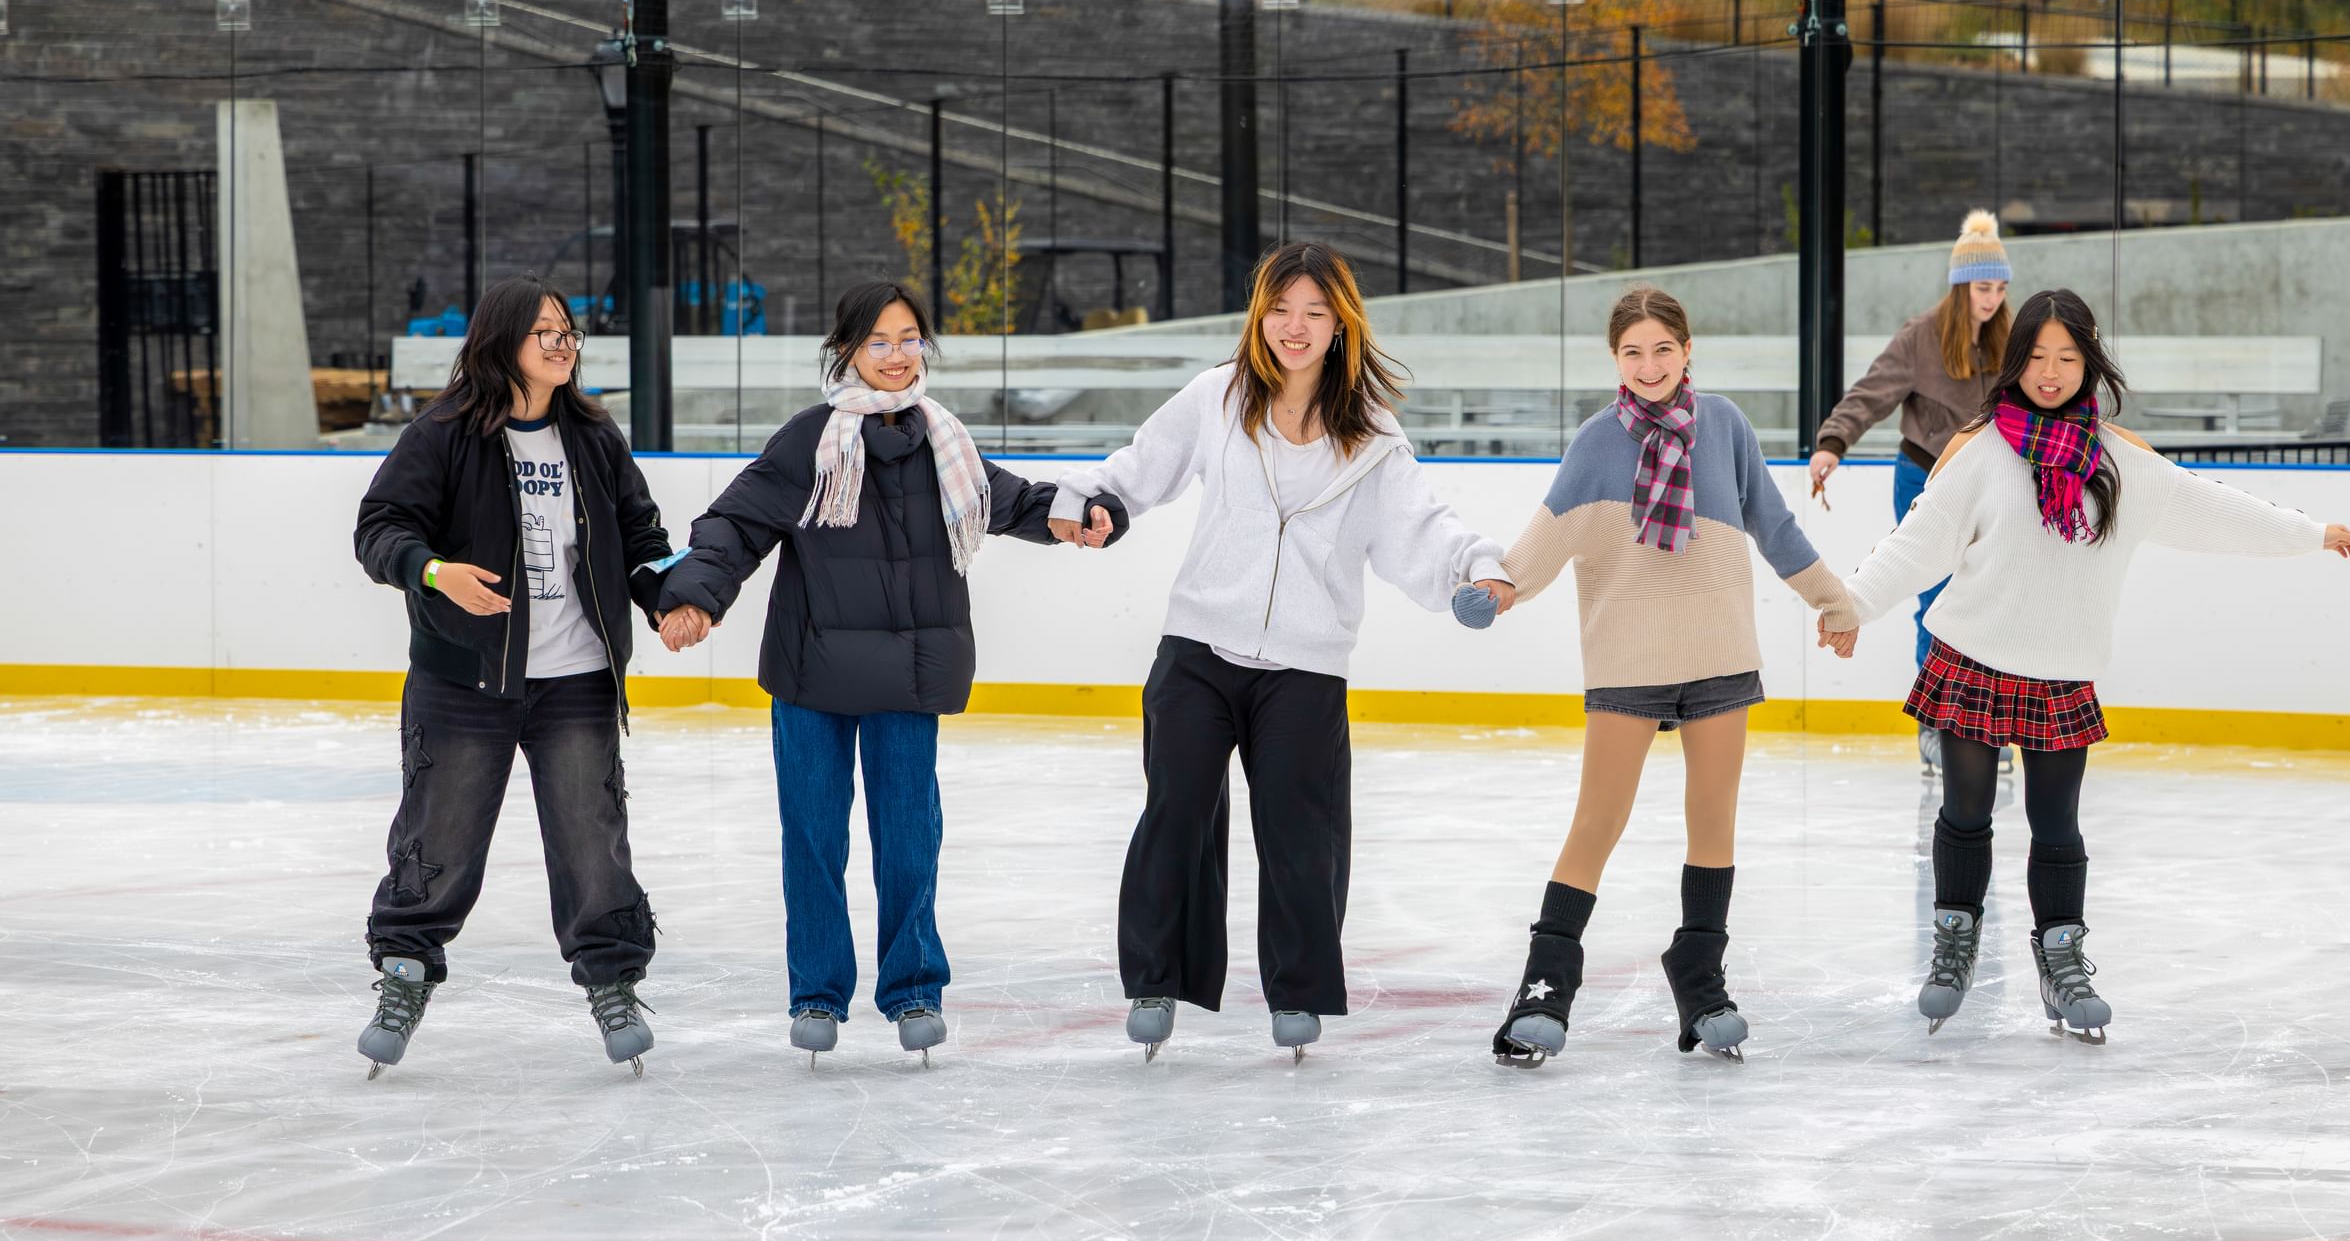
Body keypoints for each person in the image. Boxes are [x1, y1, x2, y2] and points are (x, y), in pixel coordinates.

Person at [1824, 288, 2350, 1042]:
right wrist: (1851, 605)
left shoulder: (2120, 462)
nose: (2050, 372)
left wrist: (2308, 533)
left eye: (2067, 358)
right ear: (2015, 364)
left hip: (2059, 671)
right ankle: (1954, 946)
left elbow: (2211, 509)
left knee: (2057, 826)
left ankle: (2061, 959)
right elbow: (1916, 544)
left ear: (2089, 361)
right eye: (2037, 357)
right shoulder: (1980, 452)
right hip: (1973, 658)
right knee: (1966, 815)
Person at [1044, 240, 1515, 1061]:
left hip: (1305, 666)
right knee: (1176, 812)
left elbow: (1422, 530)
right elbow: (1137, 468)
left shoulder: (1371, 437)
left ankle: (1297, 991)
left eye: (1314, 313)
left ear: (1341, 326)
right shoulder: (1216, 397)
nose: (1295, 328)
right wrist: (1097, 502)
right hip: (1198, 645)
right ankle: (1156, 978)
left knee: (1303, 831)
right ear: (1260, 315)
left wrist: (1475, 570)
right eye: (1280, 309)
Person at [651, 282, 1121, 1066]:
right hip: (811, 675)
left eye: (910, 338)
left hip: (907, 672)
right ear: (846, 351)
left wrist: (1072, 517)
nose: (899, 355)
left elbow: (1007, 499)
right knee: (813, 834)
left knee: (909, 836)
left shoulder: (945, 440)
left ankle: (912, 989)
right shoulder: (809, 441)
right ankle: (817, 991)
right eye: (879, 341)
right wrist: (693, 596)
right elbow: (733, 525)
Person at [1477, 287, 1859, 1067]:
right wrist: (1498, 586)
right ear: (1614, 359)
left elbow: (1774, 525)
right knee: (1598, 820)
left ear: (1688, 351)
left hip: (1718, 650)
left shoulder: (1723, 425)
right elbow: (1543, 539)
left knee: (1713, 818)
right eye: (1632, 352)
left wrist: (1833, 600)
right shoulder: (1596, 441)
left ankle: (1700, 973)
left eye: (1662, 349)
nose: (1649, 366)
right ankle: (1545, 983)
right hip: (1629, 656)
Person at [351, 274, 677, 1078]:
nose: (563, 344)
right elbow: (379, 528)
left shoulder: (595, 438)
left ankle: (612, 980)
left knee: (592, 840)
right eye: (546, 333)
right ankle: (404, 972)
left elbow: (642, 537)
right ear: (502, 342)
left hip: (578, 681)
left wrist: (673, 598)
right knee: (440, 837)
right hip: (466, 683)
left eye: (569, 331)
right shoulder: (445, 433)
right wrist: (433, 573)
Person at [1809, 208, 2012, 772]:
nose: (1991, 299)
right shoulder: (1922, 337)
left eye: (1998, 287)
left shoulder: (2011, 340)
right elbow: (1871, 392)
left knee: (1988, 599)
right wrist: (1832, 442)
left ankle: (1988, 721)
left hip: (1990, 482)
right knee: (1936, 597)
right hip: (1925, 476)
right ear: (1959, 286)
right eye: (1981, 287)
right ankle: (1937, 723)